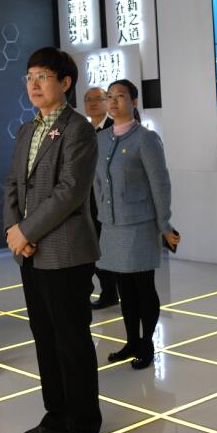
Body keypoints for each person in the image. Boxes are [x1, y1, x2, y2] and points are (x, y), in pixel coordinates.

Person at [4, 47, 101, 433]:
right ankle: (56, 414)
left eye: (43, 76)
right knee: (44, 336)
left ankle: (84, 426)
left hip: (65, 252)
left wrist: (26, 231)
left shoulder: (78, 129)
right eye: (29, 77)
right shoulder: (26, 130)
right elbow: (13, 184)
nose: (34, 84)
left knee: (71, 341)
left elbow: (70, 192)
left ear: (65, 82)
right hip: (30, 252)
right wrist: (15, 232)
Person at [94, 79, 180, 370]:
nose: (113, 101)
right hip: (112, 224)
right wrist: (102, 214)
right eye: (109, 96)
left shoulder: (146, 138)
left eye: (120, 96)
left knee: (143, 288)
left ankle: (147, 344)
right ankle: (131, 341)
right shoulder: (101, 139)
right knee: (124, 290)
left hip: (139, 224)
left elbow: (160, 184)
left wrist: (164, 223)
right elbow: (96, 182)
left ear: (133, 102)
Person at [83, 86, 119, 310]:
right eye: (88, 99)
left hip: (111, 199)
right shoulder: (83, 131)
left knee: (111, 248)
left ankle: (114, 291)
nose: (93, 103)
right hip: (88, 199)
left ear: (107, 102)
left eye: (98, 99)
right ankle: (108, 292)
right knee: (94, 248)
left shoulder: (115, 128)